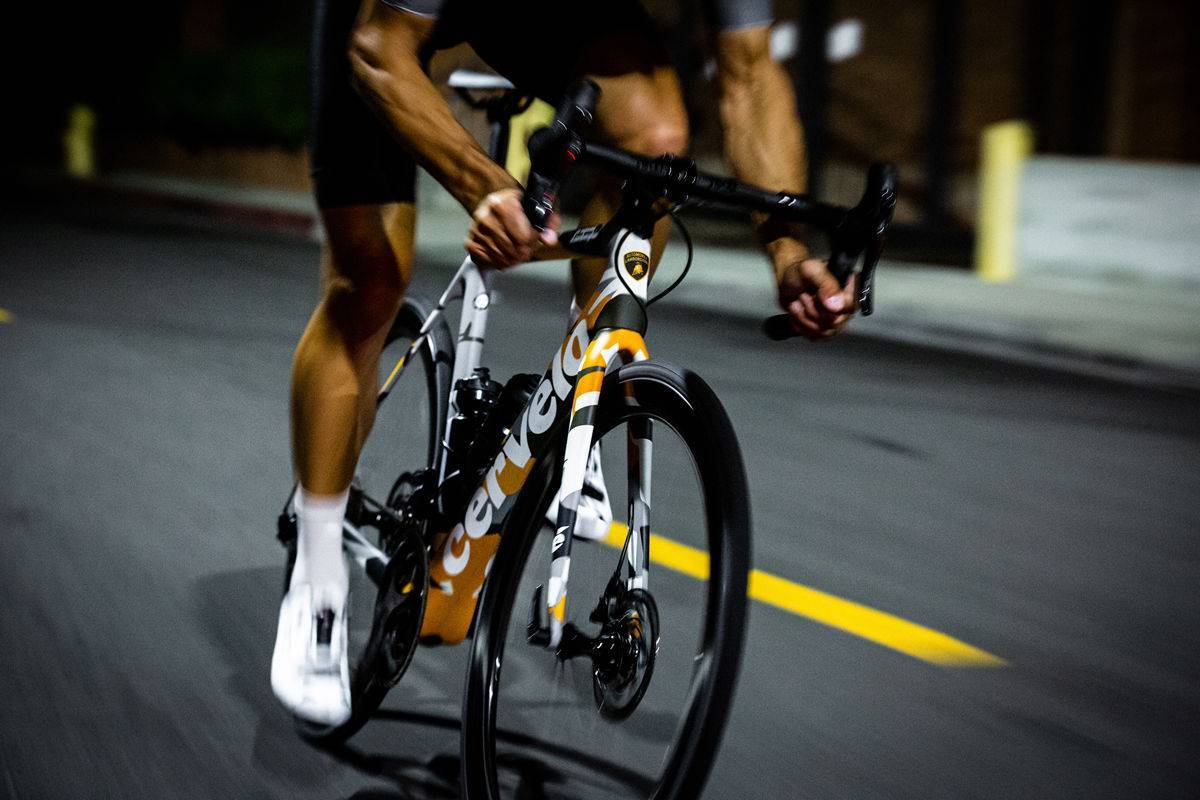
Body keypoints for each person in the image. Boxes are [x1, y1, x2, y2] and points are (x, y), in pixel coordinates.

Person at [272, 0, 858, 726]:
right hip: (387, 23)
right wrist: (485, 187)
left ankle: (580, 403)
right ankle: (316, 576)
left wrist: (789, 251)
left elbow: (752, 76)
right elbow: (378, 49)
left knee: (658, 147)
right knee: (370, 282)